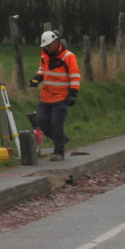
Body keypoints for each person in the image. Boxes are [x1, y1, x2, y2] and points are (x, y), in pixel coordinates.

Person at [28, 29, 80, 161]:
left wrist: (73, 94)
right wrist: (36, 79)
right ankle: (61, 139)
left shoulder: (68, 56)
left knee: (56, 124)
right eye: (45, 46)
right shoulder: (44, 54)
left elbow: (74, 76)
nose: (47, 48)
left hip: (61, 97)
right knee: (40, 121)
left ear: (56, 43)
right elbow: (42, 69)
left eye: (49, 46)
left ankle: (59, 152)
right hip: (46, 96)